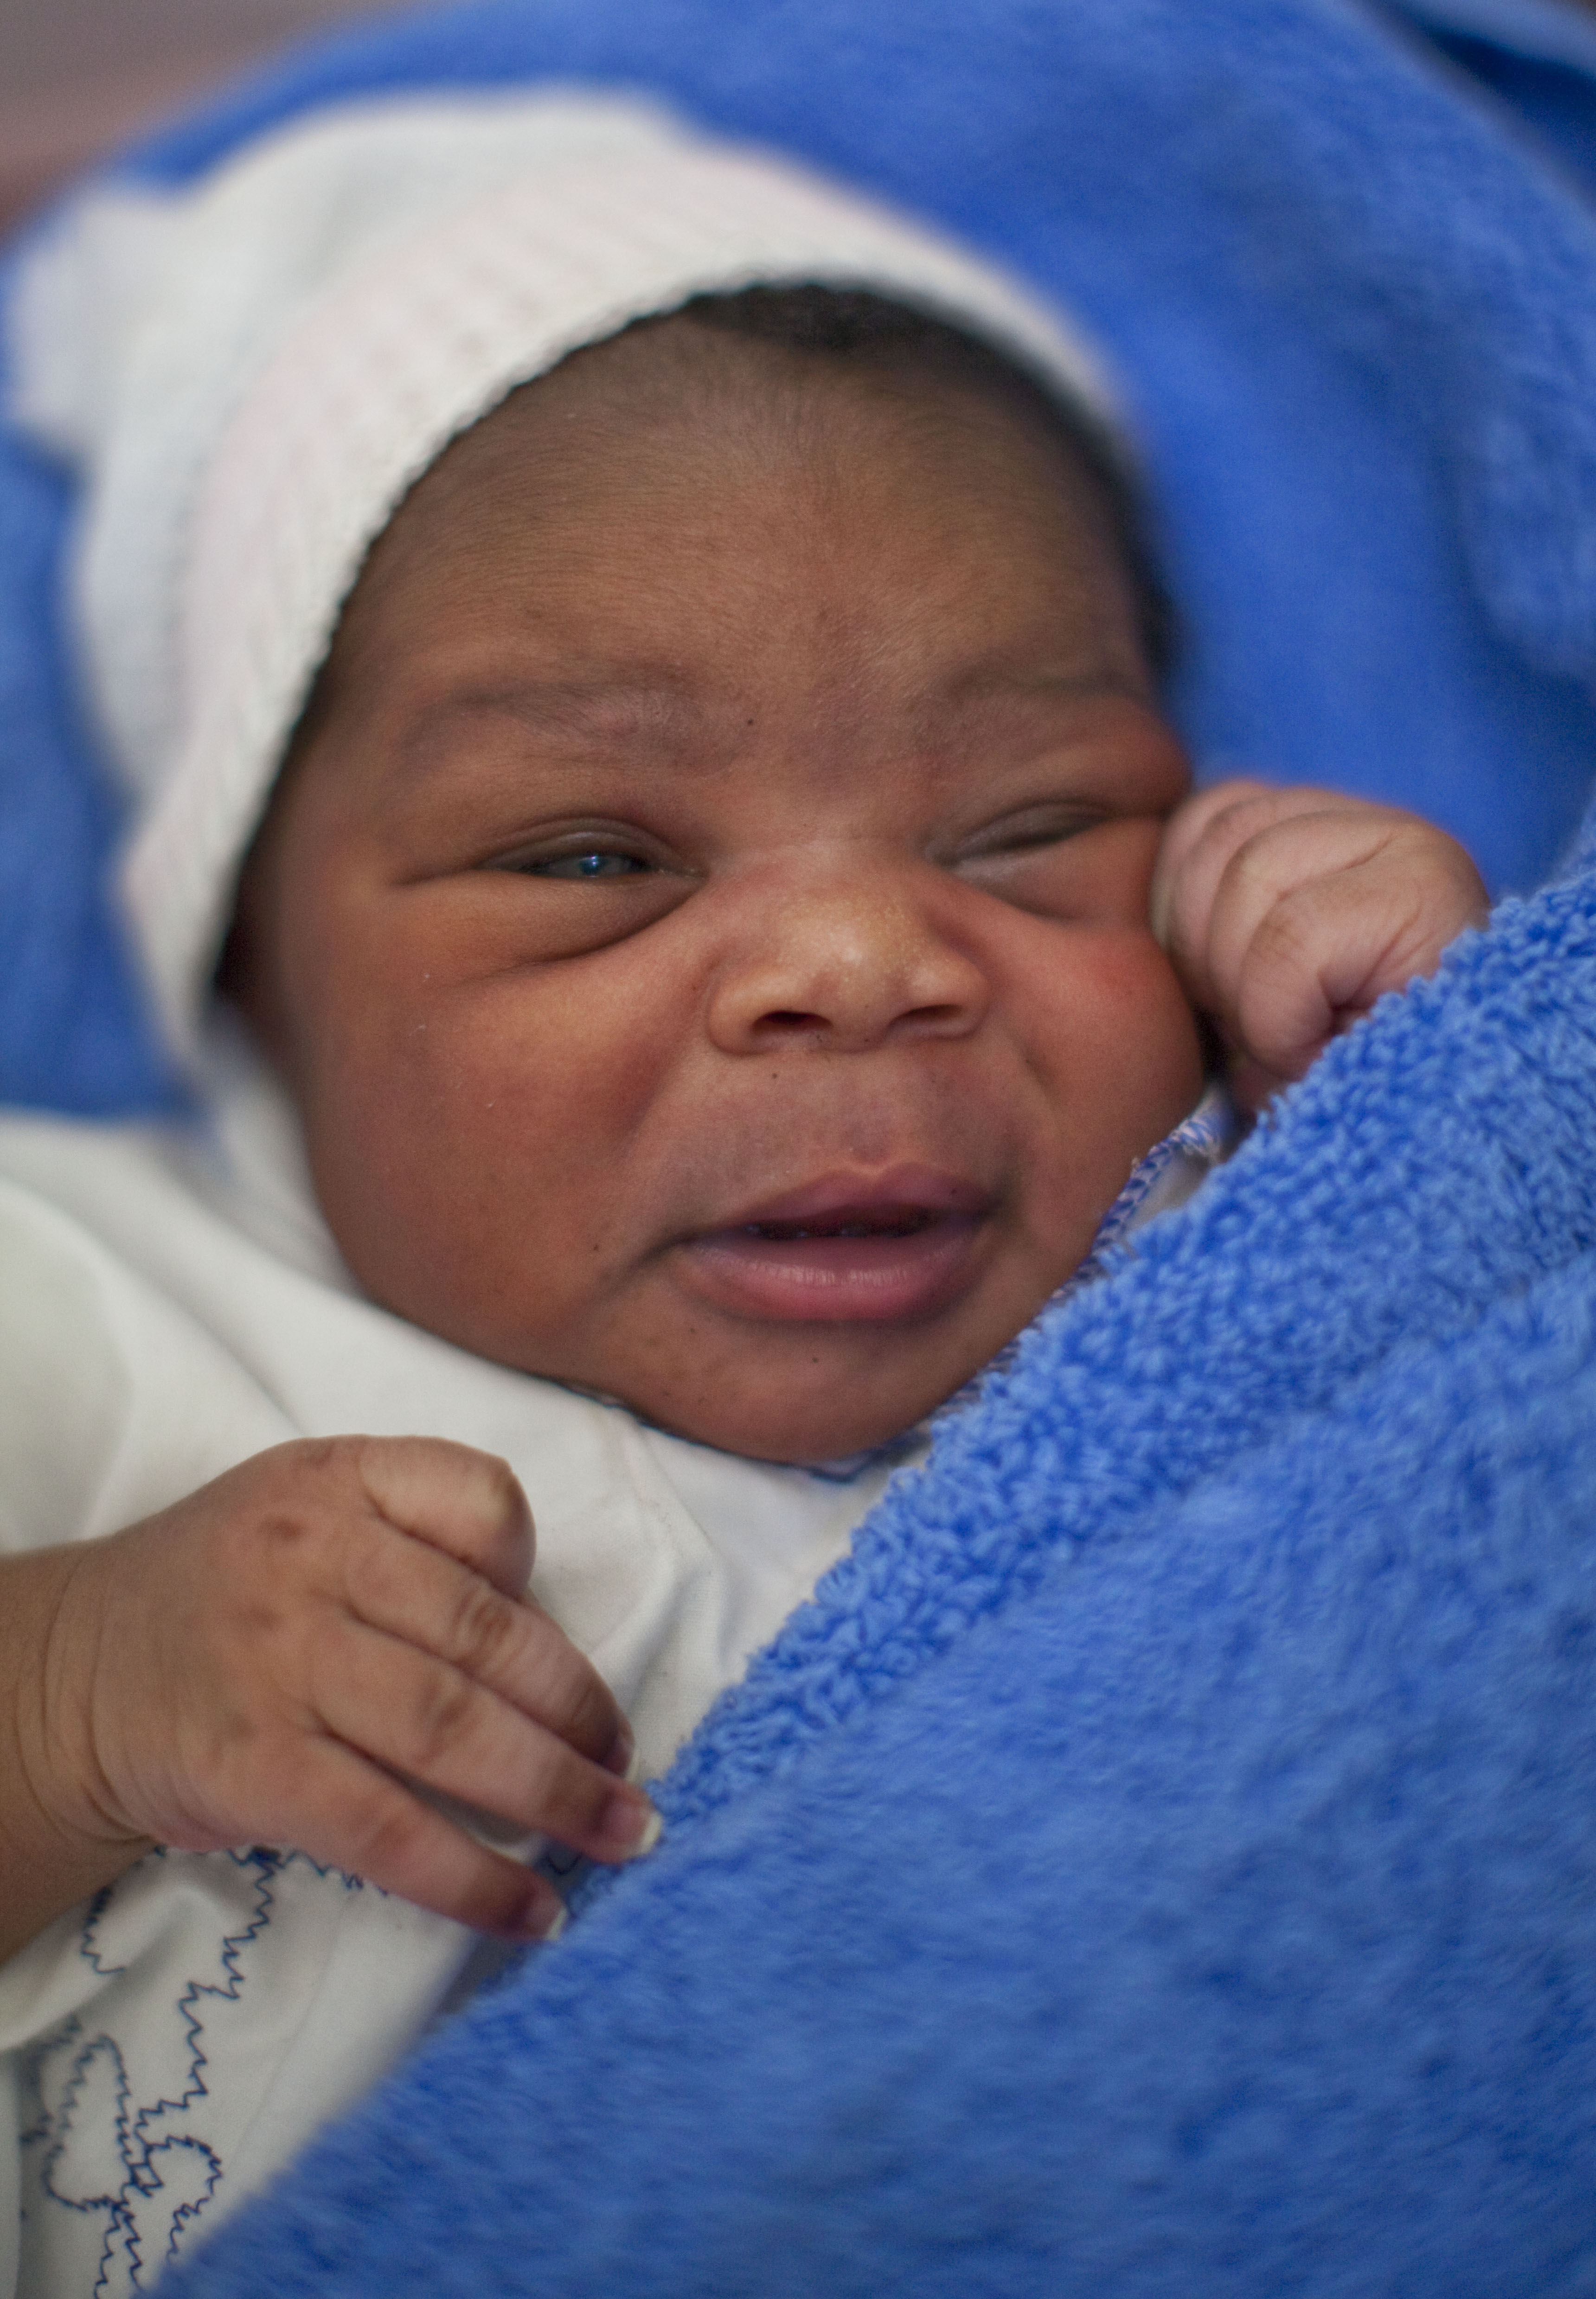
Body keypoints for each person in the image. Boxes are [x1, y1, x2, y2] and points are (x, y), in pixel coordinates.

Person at [0, 92, 1486, 2290]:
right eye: (596, 859)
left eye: (1026, 828)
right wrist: (79, 1692)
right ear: (253, 959)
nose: (862, 964)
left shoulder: (1204, 1279)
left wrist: (1407, 1120)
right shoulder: (83, 1289)